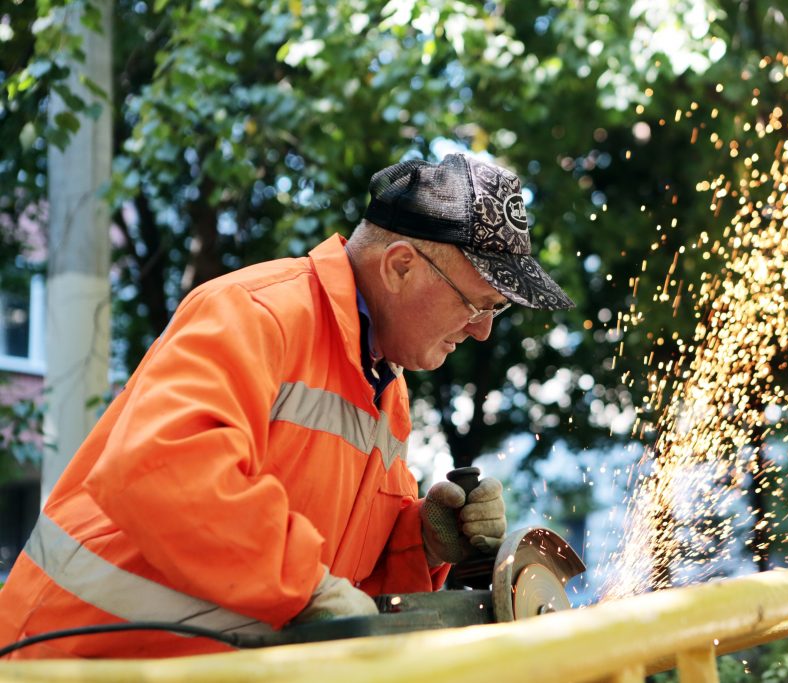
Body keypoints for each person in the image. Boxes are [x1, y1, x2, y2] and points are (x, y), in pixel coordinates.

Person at [0, 153, 573, 659]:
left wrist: (418, 541)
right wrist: (304, 588)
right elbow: (161, 473)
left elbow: (341, 580)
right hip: (69, 662)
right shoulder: (254, 313)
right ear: (400, 266)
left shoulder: (384, 384)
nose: (480, 333)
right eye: (480, 304)